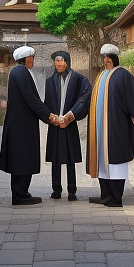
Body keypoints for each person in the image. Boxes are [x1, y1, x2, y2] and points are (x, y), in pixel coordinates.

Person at [86, 44, 134, 207]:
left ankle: (116, 198)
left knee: (116, 162)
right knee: (101, 162)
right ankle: (105, 195)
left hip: (116, 127)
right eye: (104, 57)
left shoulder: (122, 74)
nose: (106, 60)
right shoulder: (100, 76)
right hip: (99, 128)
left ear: (115, 59)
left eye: (109, 57)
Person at [0, 46, 58, 205]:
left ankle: (21, 192)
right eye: (32, 57)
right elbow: (31, 98)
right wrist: (49, 115)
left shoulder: (18, 72)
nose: (33, 59)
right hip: (22, 126)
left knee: (21, 158)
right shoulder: (22, 72)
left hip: (20, 124)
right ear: (26, 58)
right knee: (22, 158)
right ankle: (20, 195)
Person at [44, 50, 91, 201]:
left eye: (61, 60)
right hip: (56, 124)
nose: (58, 63)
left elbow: (85, 96)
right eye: (56, 61)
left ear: (67, 62)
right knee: (55, 158)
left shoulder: (78, 79)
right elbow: (47, 103)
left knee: (70, 157)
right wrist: (52, 118)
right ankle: (56, 189)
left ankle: (72, 190)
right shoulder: (49, 81)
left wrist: (71, 115)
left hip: (69, 123)